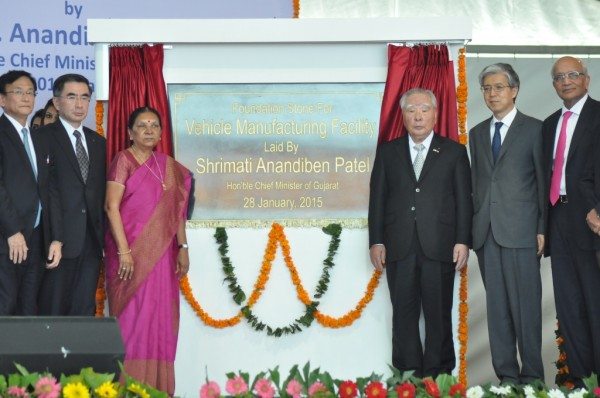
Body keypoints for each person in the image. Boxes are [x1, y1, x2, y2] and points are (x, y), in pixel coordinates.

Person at [368, 88, 472, 378]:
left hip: (440, 246)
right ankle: (407, 376)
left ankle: (439, 376)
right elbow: (377, 197)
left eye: (424, 109)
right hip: (398, 246)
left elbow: (465, 200)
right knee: (403, 314)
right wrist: (376, 240)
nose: (418, 116)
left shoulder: (453, 152)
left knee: (438, 314)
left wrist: (463, 240)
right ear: (402, 115)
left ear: (436, 114)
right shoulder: (388, 152)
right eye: (411, 110)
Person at [105, 106, 191, 395]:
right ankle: (127, 387)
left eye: (155, 125)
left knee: (160, 317)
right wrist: (124, 251)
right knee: (133, 319)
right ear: (130, 132)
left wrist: (183, 246)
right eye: (142, 125)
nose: (149, 130)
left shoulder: (168, 165)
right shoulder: (123, 161)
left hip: (163, 257)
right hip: (130, 256)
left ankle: (157, 387)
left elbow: (177, 212)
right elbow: (110, 206)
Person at [469, 63, 545, 385]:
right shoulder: (476, 133)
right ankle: (507, 380)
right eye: (486, 88)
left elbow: (545, 182)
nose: (492, 93)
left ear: (514, 90)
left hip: (523, 233)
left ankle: (532, 378)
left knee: (526, 310)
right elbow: (478, 185)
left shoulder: (536, 129)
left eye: (498, 87)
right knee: (497, 312)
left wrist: (543, 228)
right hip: (486, 234)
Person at [543, 56, 600, 386]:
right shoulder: (549, 123)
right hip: (558, 218)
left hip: (591, 219)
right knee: (569, 305)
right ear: (553, 85)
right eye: (559, 77)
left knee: (594, 303)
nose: (566, 81)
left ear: (587, 80)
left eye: (573, 75)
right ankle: (579, 383)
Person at [37, 73, 106, 316]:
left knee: (84, 309)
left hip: (91, 240)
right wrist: (54, 236)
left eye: (85, 97)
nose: (79, 104)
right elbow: (43, 192)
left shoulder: (99, 143)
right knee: (53, 308)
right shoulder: (41, 138)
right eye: (72, 97)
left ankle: (81, 356)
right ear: (56, 103)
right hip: (56, 240)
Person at [0, 70, 62, 315]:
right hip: (8, 238)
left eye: (30, 92)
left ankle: (22, 356)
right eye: (18, 92)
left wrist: (56, 237)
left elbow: (49, 189)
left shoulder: (39, 137)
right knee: (6, 306)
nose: (26, 97)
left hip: (37, 238)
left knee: (28, 307)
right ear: (2, 99)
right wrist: (12, 230)